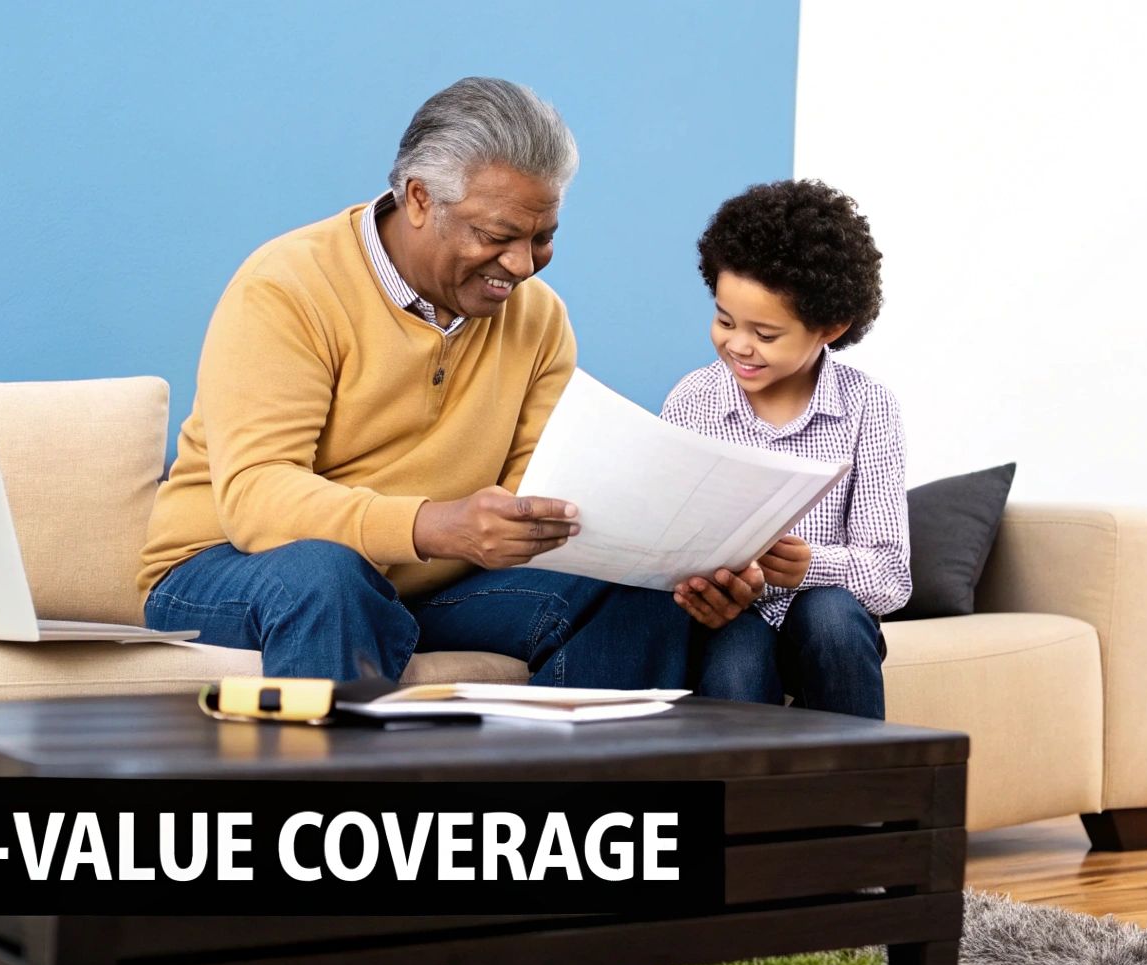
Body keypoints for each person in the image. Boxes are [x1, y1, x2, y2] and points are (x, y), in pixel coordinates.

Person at [138, 77, 749, 688]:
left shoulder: (539, 318)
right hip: (229, 570)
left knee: (634, 593)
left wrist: (680, 557)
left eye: (543, 237)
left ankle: (561, 780)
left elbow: (538, 493)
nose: (521, 264)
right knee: (327, 575)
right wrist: (433, 525)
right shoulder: (288, 287)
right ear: (420, 199)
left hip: (427, 584)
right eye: (496, 236)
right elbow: (256, 498)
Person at [660, 180, 912, 717]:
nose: (738, 345)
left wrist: (808, 567)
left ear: (829, 328)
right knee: (736, 659)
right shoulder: (693, 401)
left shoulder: (869, 408)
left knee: (829, 617)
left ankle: (861, 795)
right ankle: (743, 803)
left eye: (766, 334)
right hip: (734, 618)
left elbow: (890, 576)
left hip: (827, 623)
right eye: (725, 321)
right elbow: (667, 547)